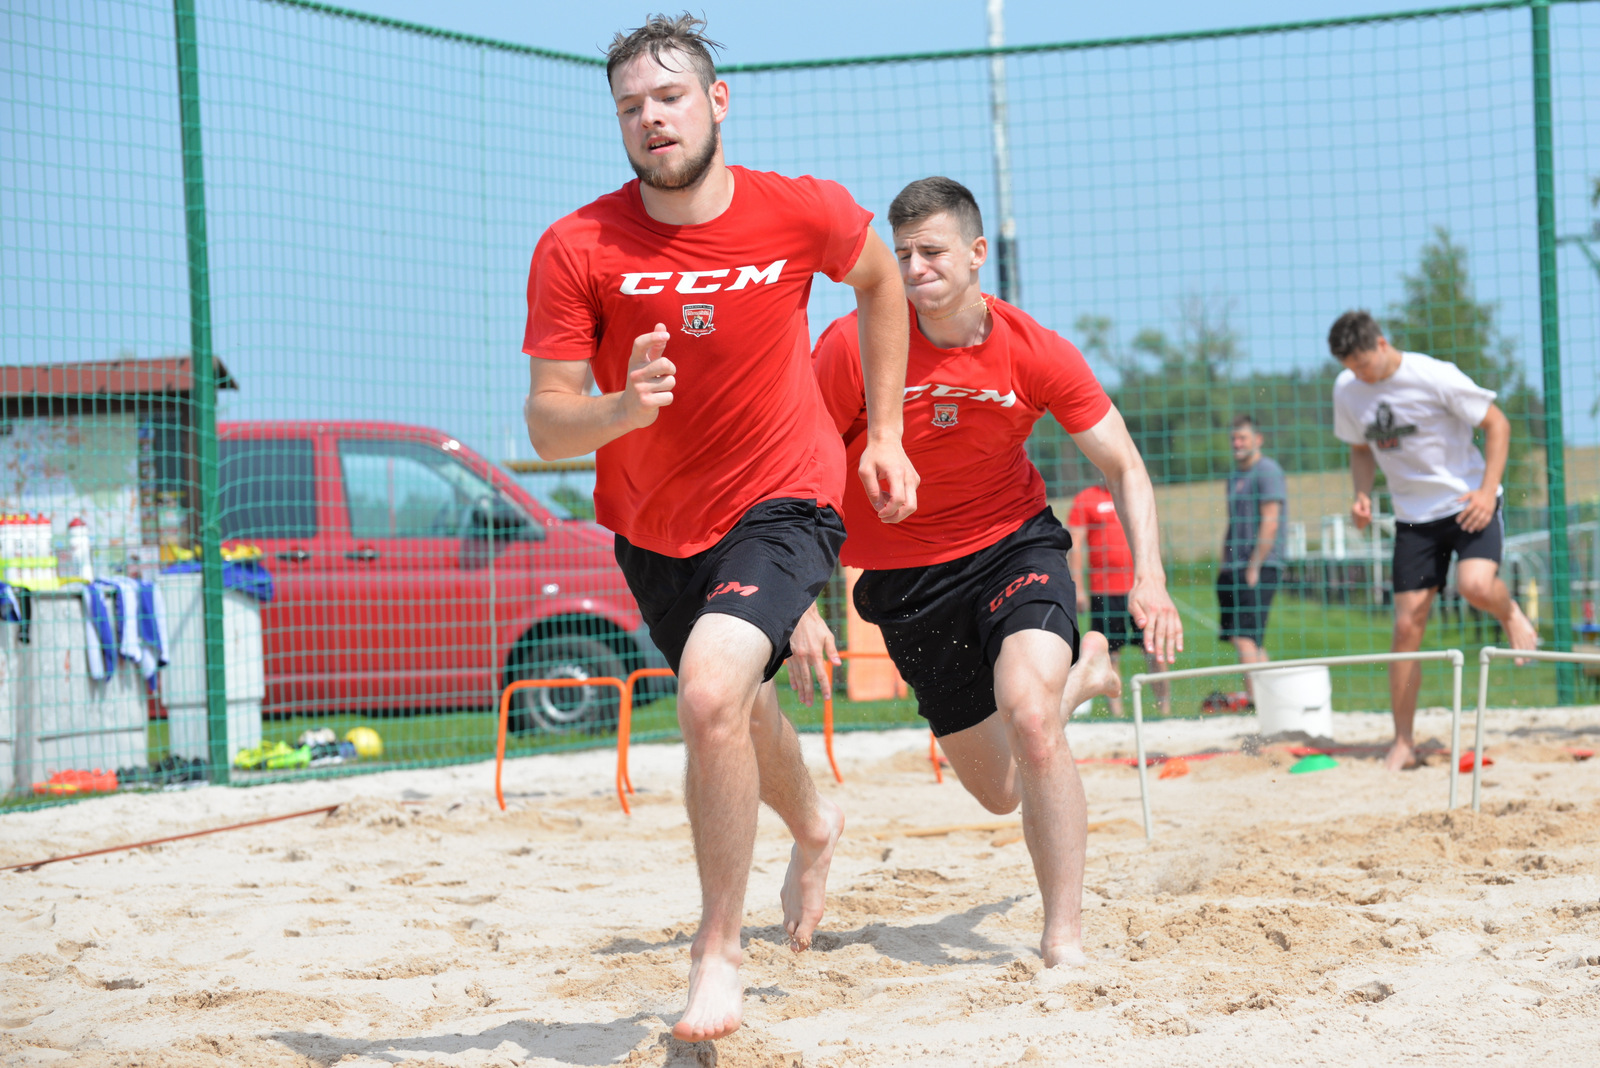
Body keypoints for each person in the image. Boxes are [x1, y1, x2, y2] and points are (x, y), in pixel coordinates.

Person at [521, 16, 918, 1042]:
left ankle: (717, 954)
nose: (651, 119)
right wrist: (621, 410)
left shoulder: (801, 210)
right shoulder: (577, 246)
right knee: (735, 706)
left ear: (716, 101)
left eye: (669, 97)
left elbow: (881, 283)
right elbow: (546, 422)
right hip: (654, 525)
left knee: (706, 693)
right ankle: (816, 821)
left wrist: (882, 432)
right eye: (630, 106)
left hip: (786, 494)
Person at [805, 177, 1182, 969]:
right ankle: (1088, 673)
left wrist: (1150, 575)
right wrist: (800, 602)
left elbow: (1124, 465)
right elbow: (795, 473)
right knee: (1002, 789)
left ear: (978, 253)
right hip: (906, 582)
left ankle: (1063, 938)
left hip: (1013, 547)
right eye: (902, 254)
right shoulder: (850, 345)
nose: (914, 267)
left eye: (931, 251)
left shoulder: (1033, 349)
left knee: (1031, 718)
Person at [1328, 310, 1537, 771]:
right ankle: (1403, 742)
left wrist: (1487, 491)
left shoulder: (1434, 376)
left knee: (1475, 586)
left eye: (1363, 364)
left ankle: (1510, 612)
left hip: (1467, 501)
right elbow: (1361, 448)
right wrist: (1362, 494)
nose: (1358, 375)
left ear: (1382, 344)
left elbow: (1498, 424)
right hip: (1413, 519)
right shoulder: (1347, 389)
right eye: (1350, 368)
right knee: (1407, 629)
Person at [1066, 478, 1169, 715]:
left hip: (1140, 588)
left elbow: (1150, 536)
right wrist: (1078, 587)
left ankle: (1165, 711)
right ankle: (1117, 714)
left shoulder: (1135, 494)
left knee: (1154, 650)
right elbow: (1076, 545)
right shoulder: (1085, 499)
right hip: (1104, 591)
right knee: (1110, 654)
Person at [1216, 414, 1287, 701]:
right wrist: (1224, 563)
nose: (1237, 443)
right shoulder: (1234, 477)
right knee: (1245, 638)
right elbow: (1233, 523)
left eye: (1243, 437)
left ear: (1258, 439)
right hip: (1234, 566)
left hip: (1260, 564)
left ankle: (1257, 703)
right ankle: (1270, 700)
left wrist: (1255, 565)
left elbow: (1271, 521)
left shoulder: (1267, 470)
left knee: (1246, 636)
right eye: (1233, 438)